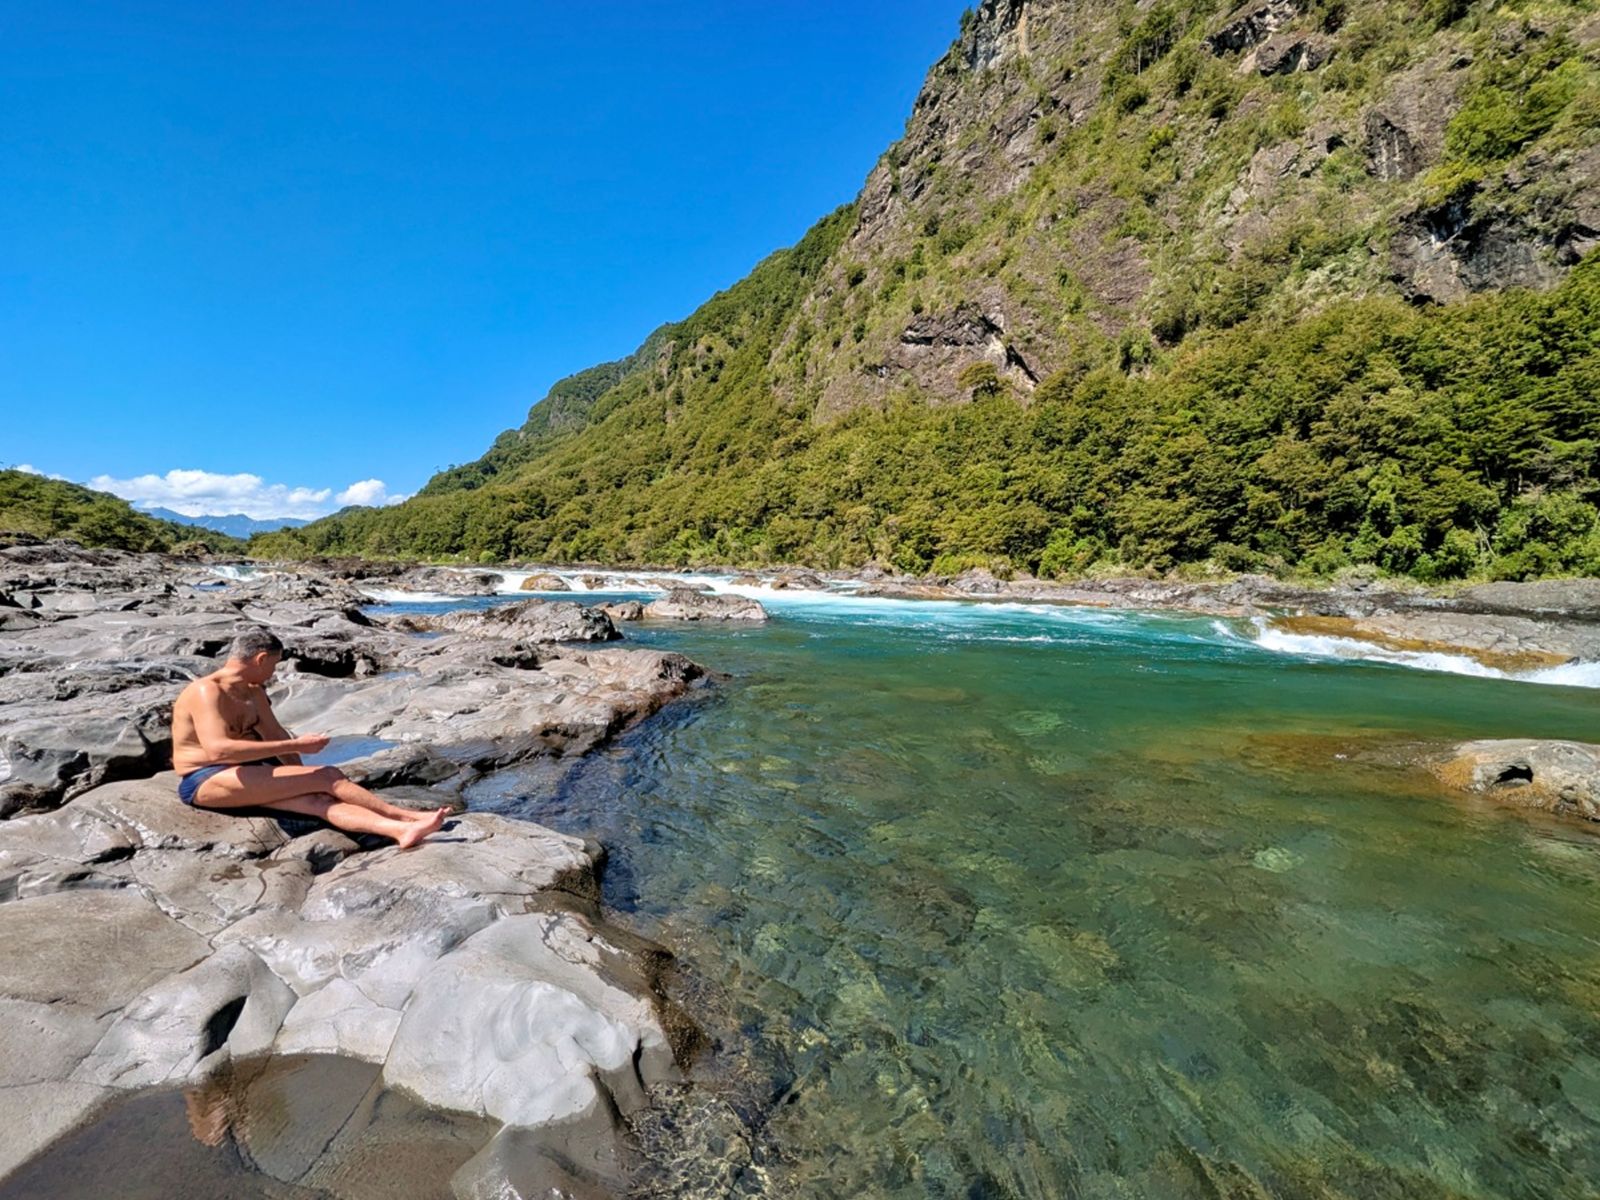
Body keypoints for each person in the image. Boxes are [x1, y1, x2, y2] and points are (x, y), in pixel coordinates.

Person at [171, 626, 447, 848]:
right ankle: (406, 815)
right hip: (205, 778)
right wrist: (300, 748)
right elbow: (219, 751)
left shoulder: (254, 692)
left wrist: (302, 778)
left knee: (319, 800)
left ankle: (402, 830)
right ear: (260, 659)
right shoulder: (207, 691)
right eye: (275, 665)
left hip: (245, 773)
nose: (273, 672)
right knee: (328, 776)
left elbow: (274, 733)